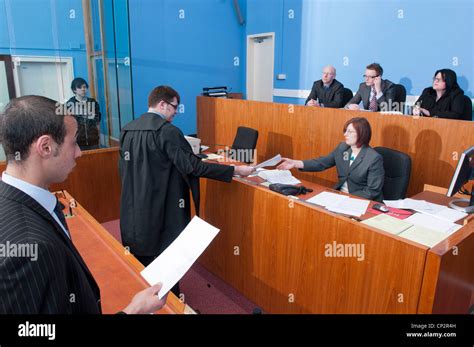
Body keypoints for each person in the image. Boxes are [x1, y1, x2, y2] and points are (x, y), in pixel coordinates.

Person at [0, 95, 167, 314]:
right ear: (46, 147)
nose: (79, 152)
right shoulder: (32, 250)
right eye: (74, 142)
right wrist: (134, 310)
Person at [119, 86, 254, 293]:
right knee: (168, 260)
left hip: (134, 205)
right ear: (162, 104)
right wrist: (235, 170)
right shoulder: (167, 131)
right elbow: (193, 167)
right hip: (163, 206)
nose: (176, 112)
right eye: (174, 107)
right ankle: (169, 302)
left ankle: (146, 299)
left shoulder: (128, 129)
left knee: (142, 259)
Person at [277, 117, 384, 202]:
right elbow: (322, 163)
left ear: (361, 134)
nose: (345, 134)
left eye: (350, 132)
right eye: (345, 131)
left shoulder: (373, 158)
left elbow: (372, 191)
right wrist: (295, 163)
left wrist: (345, 198)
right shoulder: (343, 148)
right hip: (340, 197)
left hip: (361, 201)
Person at [66, 77, 101, 150]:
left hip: (93, 140)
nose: (83, 89)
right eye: (79, 87)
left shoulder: (93, 102)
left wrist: (98, 136)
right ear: (74, 90)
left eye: (84, 87)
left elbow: (97, 121)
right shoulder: (69, 104)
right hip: (78, 141)